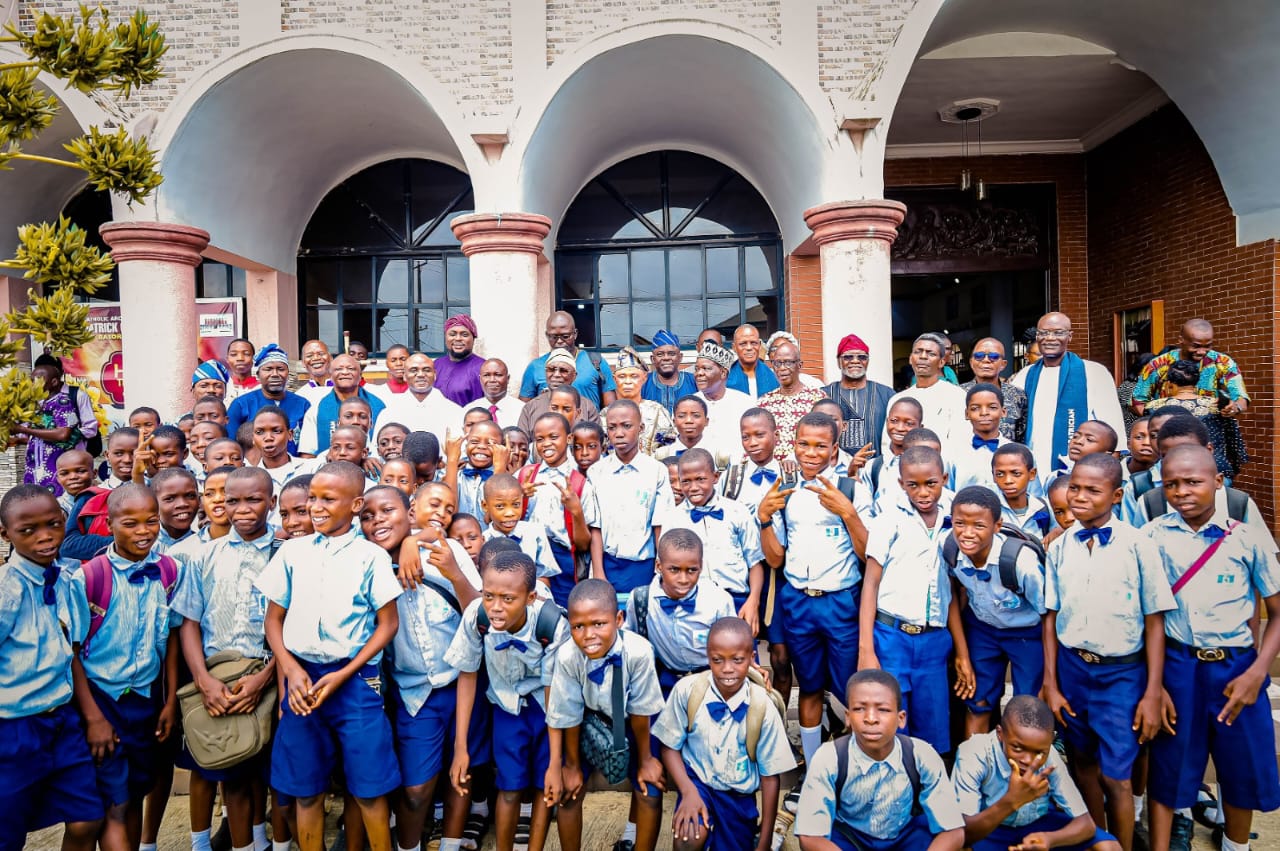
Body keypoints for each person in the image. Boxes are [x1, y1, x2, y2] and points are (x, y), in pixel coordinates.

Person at [254, 462, 403, 851]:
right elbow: (273, 620)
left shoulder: (370, 557)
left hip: (355, 681)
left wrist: (345, 673)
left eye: (328, 499)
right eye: (313, 498)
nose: (316, 507)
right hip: (302, 678)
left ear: (355, 505)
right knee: (306, 791)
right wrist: (290, 669)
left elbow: (388, 624)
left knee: (369, 789)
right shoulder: (293, 552)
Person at [1143, 445, 1280, 851]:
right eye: (1171, 484)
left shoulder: (1247, 539)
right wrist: (1156, 685)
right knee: (1170, 763)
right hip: (1177, 665)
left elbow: (1276, 611)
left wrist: (1258, 672)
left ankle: (1237, 845)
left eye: (1193, 482)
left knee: (1242, 766)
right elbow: (1147, 616)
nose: (1181, 491)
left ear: (1218, 482)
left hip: (1236, 669)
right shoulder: (1151, 537)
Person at [1041, 453, 1174, 851]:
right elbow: (1051, 617)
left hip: (1122, 674)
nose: (1079, 497)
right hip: (1073, 668)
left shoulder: (1139, 546)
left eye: (1092, 490)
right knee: (1082, 762)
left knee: (1117, 776)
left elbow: (1155, 621)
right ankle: (1098, 842)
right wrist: (1051, 683)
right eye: (1074, 488)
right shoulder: (1060, 546)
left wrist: (1153, 690)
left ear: (1116, 496)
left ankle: (1123, 843)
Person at [171, 467, 279, 851]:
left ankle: (264, 841)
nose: (242, 509)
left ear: (272, 502)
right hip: (220, 683)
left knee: (270, 777)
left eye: (254, 500)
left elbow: (294, 628)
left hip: (271, 678)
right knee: (233, 777)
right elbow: (189, 622)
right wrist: (203, 680)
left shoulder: (286, 554)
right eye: (233, 501)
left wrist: (264, 678)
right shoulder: (205, 556)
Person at [758, 412, 870, 778]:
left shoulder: (852, 489)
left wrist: (848, 513)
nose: (810, 452)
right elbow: (775, 558)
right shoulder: (785, 489)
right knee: (809, 686)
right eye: (803, 444)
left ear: (834, 449)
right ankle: (812, 771)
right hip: (799, 601)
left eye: (820, 446)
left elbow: (868, 553)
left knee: (846, 690)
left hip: (840, 602)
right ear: (793, 444)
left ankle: (848, 769)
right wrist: (763, 518)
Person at [372, 481, 480, 851]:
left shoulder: (449, 550)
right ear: (413, 505)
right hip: (413, 692)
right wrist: (409, 542)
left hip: (462, 681)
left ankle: (449, 843)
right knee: (416, 790)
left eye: (450, 509)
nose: (442, 514)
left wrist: (453, 572)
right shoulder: (370, 559)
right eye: (435, 504)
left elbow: (479, 616)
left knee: (461, 773)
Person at [74, 483, 180, 851]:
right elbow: (72, 651)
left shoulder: (170, 571)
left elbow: (171, 639)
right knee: (107, 802)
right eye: (130, 523)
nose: (143, 531)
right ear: (109, 523)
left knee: (135, 792)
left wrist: (169, 701)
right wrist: (93, 718)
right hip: (101, 699)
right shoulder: (89, 578)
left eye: (151, 521)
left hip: (145, 701)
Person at [0, 485, 103, 851]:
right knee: (7, 830)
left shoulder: (67, 581)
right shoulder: (6, 589)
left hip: (62, 721)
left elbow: (71, 651)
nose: (45, 536)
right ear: (6, 534)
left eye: (53, 524)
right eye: (28, 530)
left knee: (86, 818)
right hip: (14, 727)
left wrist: (92, 717)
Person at [446, 551, 570, 851]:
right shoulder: (477, 616)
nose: (496, 607)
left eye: (508, 599)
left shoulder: (552, 623)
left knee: (543, 787)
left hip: (546, 711)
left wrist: (556, 762)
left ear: (530, 598)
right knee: (509, 787)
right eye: (489, 596)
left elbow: (554, 690)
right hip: (506, 709)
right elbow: (467, 675)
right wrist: (461, 747)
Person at [859, 445, 968, 756]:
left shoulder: (956, 517)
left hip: (934, 640)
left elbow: (949, 591)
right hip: (891, 637)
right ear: (901, 483)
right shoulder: (889, 519)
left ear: (944, 478)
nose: (923, 492)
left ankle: (927, 783)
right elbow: (871, 584)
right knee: (891, 722)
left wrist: (961, 652)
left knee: (933, 729)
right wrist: (866, 649)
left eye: (931, 483)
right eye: (913, 485)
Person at [654, 616, 797, 851]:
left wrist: (765, 840)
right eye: (717, 660)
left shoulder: (762, 707)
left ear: (752, 658)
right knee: (688, 837)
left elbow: (770, 777)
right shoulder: (688, 691)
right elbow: (669, 746)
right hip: (698, 784)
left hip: (738, 797)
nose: (727, 668)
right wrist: (688, 792)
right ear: (708, 656)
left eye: (737, 660)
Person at [546, 579, 666, 851]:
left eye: (599, 624)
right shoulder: (567, 656)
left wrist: (646, 759)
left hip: (633, 724)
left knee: (650, 789)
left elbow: (641, 711)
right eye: (578, 626)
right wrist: (571, 765)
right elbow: (568, 714)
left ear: (619, 619)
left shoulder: (639, 652)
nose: (588, 635)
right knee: (569, 792)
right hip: (587, 723)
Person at [793, 669, 965, 851]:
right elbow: (809, 837)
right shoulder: (829, 757)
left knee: (927, 834)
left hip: (904, 836)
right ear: (848, 717)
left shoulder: (921, 755)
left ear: (901, 718)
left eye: (883, 709)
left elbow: (953, 830)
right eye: (859, 709)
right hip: (849, 838)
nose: (870, 719)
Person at [952, 695, 1119, 851]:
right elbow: (962, 832)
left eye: (1039, 753)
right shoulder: (974, 753)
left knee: (1108, 846)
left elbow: (1086, 825)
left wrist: (1049, 839)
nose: (1028, 760)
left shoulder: (1050, 756)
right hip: (988, 829)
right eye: (1017, 748)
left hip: (1037, 826)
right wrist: (1012, 800)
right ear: (1000, 733)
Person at [946, 487, 1047, 736]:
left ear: (997, 526)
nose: (967, 533)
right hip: (983, 629)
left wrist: (1051, 673)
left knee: (1027, 707)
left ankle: (1021, 759)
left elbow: (1048, 613)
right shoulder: (950, 549)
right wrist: (962, 655)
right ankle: (972, 758)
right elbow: (952, 595)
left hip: (1028, 634)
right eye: (960, 523)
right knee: (977, 699)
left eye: (979, 526)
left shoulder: (1021, 562)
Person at [1010, 313, 1126, 480]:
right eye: (1044, 333)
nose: (1050, 338)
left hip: (1080, 471)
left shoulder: (1094, 372)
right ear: (1037, 337)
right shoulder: (1025, 375)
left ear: (1070, 336)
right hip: (1033, 469)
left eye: (1058, 332)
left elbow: (1113, 431)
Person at [664, 448, 765, 631]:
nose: (693, 487)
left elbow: (755, 563)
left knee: (740, 648)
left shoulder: (738, 512)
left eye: (700, 479)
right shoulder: (673, 520)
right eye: (686, 481)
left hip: (737, 601)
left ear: (715, 477)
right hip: (693, 604)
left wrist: (753, 602)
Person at [518, 412, 592, 609]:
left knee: (561, 612)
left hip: (562, 560)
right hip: (526, 554)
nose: (546, 444)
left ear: (569, 438)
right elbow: (506, 519)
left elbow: (583, 545)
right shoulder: (525, 475)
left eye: (553, 437)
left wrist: (575, 511)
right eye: (540, 439)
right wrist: (520, 497)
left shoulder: (580, 482)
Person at [1132, 319, 1250, 417]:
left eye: (1207, 346)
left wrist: (1235, 408)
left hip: (1210, 430)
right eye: (1196, 346)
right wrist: (1156, 423)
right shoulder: (1158, 365)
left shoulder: (1223, 362)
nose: (1202, 352)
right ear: (1181, 340)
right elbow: (1138, 401)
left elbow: (1241, 398)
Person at [1145, 359, 1241, 477]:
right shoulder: (1218, 405)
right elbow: (1233, 441)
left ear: (1169, 383)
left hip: (1172, 467)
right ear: (1197, 381)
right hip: (1215, 467)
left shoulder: (1154, 407)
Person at [17, 358, 97, 494]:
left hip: (63, 460)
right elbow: (29, 435)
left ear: (56, 378)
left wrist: (71, 437)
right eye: (32, 380)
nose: (33, 384)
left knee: (60, 495)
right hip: (37, 464)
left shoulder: (68, 398)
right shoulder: (37, 402)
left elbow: (75, 432)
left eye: (38, 380)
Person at [225, 344, 311, 456]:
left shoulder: (303, 404)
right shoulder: (241, 404)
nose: (275, 374)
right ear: (258, 375)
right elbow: (231, 446)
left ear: (288, 373)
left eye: (280, 369)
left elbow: (309, 446)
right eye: (268, 369)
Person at [481, 473, 559, 594]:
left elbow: (544, 577)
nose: (510, 513)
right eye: (500, 506)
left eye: (516, 505)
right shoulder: (483, 541)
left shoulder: (535, 533)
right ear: (485, 506)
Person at [883, 334, 966, 447]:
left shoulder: (956, 395)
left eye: (931, 353)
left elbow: (960, 441)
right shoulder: (897, 399)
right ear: (910, 359)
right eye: (918, 352)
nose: (923, 357)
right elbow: (887, 443)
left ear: (942, 362)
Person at [519, 312, 617, 408]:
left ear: (575, 334)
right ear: (547, 335)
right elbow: (523, 409)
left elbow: (610, 407)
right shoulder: (535, 366)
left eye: (565, 336)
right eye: (553, 337)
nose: (559, 341)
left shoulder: (596, 361)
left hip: (588, 418)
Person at [297, 354, 386, 457]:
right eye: (339, 369)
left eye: (351, 369)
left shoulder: (378, 406)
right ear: (330, 375)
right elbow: (307, 455)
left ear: (360, 375)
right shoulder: (316, 409)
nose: (345, 372)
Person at [822, 334, 895, 458]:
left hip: (877, 466)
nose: (855, 361)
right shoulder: (823, 395)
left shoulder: (887, 394)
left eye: (862, 357)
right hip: (835, 467)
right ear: (839, 362)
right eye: (848, 357)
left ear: (868, 361)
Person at [759, 340, 827, 460]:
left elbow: (826, 438)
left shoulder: (818, 399)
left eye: (788, 362)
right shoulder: (764, 403)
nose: (782, 368)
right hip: (773, 469)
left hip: (807, 467)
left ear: (799, 365)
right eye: (777, 363)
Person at [373, 353, 465, 440]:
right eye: (414, 370)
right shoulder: (390, 413)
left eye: (426, 370)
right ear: (404, 376)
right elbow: (377, 448)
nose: (421, 375)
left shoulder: (454, 412)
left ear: (435, 375)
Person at [693, 340, 756, 465]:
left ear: (723, 373)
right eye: (697, 369)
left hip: (737, 470)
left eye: (706, 368)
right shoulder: (688, 404)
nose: (699, 373)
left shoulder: (745, 403)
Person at [516, 349, 602, 435]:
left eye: (563, 370)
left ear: (574, 376)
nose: (556, 375)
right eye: (551, 369)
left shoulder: (587, 407)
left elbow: (596, 438)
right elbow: (522, 440)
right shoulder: (530, 408)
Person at [611, 347, 677, 456]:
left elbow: (669, 447)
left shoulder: (657, 411)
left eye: (634, 376)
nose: (628, 381)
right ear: (615, 379)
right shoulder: (607, 414)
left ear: (644, 378)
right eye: (622, 376)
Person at [960, 338, 1027, 442]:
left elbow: (1023, 437)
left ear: (1003, 364)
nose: (986, 360)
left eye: (994, 356)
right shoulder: (957, 393)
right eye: (979, 356)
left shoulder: (1018, 395)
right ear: (971, 362)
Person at [946, 383, 1009, 493]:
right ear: (967, 414)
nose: (984, 413)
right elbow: (947, 493)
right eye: (975, 408)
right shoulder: (953, 453)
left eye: (992, 407)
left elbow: (1032, 496)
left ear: (1003, 412)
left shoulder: (1017, 453)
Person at [991, 444, 1052, 542]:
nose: (1008, 480)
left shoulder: (1046, 508)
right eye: (1000, 474)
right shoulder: (988, 510)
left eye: (1016, 474)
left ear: (1032, 474)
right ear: (993, 476)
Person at [642, 329, 698, 414]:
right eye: (660, 354)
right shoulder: (643, 382)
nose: (666, 358)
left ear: (680, 357)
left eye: (671, 354)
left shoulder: (694, 381)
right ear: (652, 359)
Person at [727, 324, 778, 397]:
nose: (749, 348)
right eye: (743, 344)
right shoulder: (725, 378)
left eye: (753, 343)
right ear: (734, 347)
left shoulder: (774, 377)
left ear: (759, 345)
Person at [478, 358, 525, 429]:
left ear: (508, 378)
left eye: (498, 375)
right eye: (486, 375)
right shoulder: (469, 410)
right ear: (480, 379)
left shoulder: (522, 410)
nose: (492, 380)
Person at [55, 448, 96, 517]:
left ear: (94, 473)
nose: (73, 477)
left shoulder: (106, 499)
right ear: (58, 478)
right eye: (64, 473)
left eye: (81, 471)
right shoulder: (56, 507)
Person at [296, 339, 334, 406]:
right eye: (309, 356)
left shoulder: (345, 390)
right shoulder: (299, 397)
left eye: (321, 354)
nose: (316, 358)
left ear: (331, 358)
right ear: (303, 363)